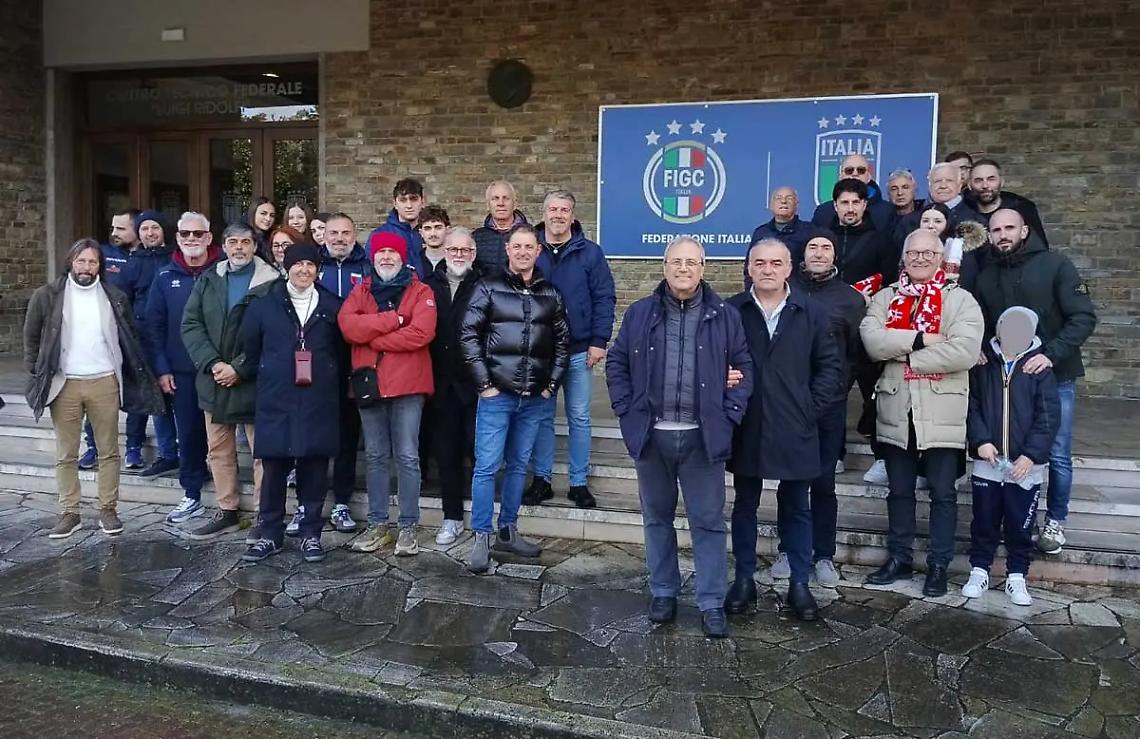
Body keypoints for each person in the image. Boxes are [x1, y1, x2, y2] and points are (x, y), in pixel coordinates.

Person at [606, 236, 753, 638]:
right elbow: (617, 362)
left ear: (704, 267)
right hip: (652, 437)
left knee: (707, 521)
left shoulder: (724, 315)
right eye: (676, 261)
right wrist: (625, 410)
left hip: (702, 439)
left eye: (691, 262)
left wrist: (729, 415)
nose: (683, 269)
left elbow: (743, 367)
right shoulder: (639, 313)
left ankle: (710, 602)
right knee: (657, 519)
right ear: (664, 266)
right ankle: (664, 592)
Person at [860, 229, 983, 596]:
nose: (920, 259)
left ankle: (938, 565)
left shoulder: (959, 300)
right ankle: (899, 557)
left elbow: (963, 351)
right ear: (903, 257)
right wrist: (925, 339)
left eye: (928, 253)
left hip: (942, 410)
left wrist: (905, 354)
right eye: (913, 253)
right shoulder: (886, 297)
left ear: (940, 257)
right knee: (899, 491)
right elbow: (871, 340)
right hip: (897, 408)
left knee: (943, 494)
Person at [726, 238, 842, 622]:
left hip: (797, 426)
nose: (768, 269)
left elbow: (831, 369)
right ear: (749, 268)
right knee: (745, 506)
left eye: (776, 263)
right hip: (748, 424)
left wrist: (809, 408)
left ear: (790, 268)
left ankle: (799, 583)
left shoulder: (812, 311)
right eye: (759, 263)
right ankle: (744, 579)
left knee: (797, 507)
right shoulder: (733, 311)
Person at [974, 209, 1097, 555]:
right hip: (1004, 381)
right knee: (1006, 447)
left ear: (1025, 230)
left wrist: (1051, 354)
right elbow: (981, 323)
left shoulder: (1056, 265)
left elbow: (1083, 317)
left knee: (1055, 451)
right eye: (996, 229)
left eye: (1009, 227)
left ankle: (1055, 521)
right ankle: (1012, 522)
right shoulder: (986, 276)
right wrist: (981, 349)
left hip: (1054, 376)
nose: (1002, 234)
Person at [23, 238, 164, 539]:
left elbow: (128, 338)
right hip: (65, 383)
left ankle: (108, 508)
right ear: (70, 262)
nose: (86, 267)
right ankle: (69, 512)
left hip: (104, 381)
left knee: (109, 450)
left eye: (92, 262)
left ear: (100, 265)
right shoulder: (47, 296)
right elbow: (31, 338)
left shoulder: (114, 296)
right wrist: (36, 371)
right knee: (67, 453)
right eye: (81, 261)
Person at [461, 223, 569, 574]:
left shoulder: (551, 293)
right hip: (497, 396)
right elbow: (468, 335)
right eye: (517, 246)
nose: (523, 252)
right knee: (487, 467)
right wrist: (483, 385)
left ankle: (507, 530)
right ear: (508, 250)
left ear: (538, 251)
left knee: (519, 467)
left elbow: (563, 344)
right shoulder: (488, 287)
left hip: (534, 399)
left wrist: (551, 385)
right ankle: (481, 536)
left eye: (529, 247)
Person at [239, 243, 345, 564]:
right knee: (273, 469)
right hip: (276, 398)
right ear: (287, 266)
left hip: (318, 399)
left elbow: (342, 353)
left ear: (317, 269)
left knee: (314, 467)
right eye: (297, 264)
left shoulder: (332, 306)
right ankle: (270, 532)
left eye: (310, 264)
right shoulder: (263, 305)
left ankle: (311, 533)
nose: (303, 270)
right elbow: (250, 348)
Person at [774, 232, 866, 586]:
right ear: (803, 254)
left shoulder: (850, 299)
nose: (818, 252)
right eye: (813, 246)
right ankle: (787, 548)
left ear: (835, 256)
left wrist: (837, 390)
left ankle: (824, 554)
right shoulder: (786, 292)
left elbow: (856, 355)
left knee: (824, 482)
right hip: (789, 405)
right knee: (790, 481)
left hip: (829, 406)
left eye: (826, 247)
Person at [340, 231, 437, 556]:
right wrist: (393, 320)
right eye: (379, 252)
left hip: (409, 385)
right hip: (370, 384)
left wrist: (374, 339)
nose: (385, 257)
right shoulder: (362, 289)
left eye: (391, 252)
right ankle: (378, 524)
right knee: (376, 456)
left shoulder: (421, 290)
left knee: (408, 456)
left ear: (402, 257)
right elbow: (347, 326)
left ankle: (408, 526)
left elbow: (422, 333)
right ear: (372, 257)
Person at [180, 222, 280, 540]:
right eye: (233, 242)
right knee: (219, 450)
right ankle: (228, 510)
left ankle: (266, 515)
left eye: (245, 242)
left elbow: (274, 334)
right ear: (223, 245)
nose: (239, 248)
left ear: (254, 246)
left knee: (263, 452)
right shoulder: (209, 279)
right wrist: (213, 364)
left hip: (254, 381)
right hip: (214, 380)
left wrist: (239, 367)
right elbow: (191, 324)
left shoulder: (272, 283)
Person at [963, 306, 1060, 606]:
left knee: (1020, 523)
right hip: (988, 461)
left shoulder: (1039, 369)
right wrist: (980, 441)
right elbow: (971, 405)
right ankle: (979, 570)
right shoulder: (983, 364)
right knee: (984, 520)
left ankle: (1016, 575)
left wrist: (1031, 456)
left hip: (1024, 466)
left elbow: (1048, 417)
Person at [527, 190, 616, 509]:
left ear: (573, 215)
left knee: (579, 416)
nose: (558, 215)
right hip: (539, 352)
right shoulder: (529, 248)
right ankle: (542, 479)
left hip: (579, 350)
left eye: (564, 209)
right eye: (552, 209)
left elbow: (604, 298)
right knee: (541, 417)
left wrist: (599, 341)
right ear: (544, 212)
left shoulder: (590, 253)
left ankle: (578, 482)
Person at [144, 212, 222, 524]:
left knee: (221, 435)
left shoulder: (222, 273)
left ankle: (230, 495)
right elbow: (154, 328)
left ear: (208, 237)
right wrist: (162, 369)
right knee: (188, 435)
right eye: (185, 234)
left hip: (219, 369)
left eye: (198, 234)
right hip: (182, 372)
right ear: (177, 238)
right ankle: (191, 494)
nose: (191, 239)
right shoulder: (164, 277)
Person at [424, 227, 487, 545]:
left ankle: (481, 521)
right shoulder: (427, 285)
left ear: (473, 254)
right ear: (444, 251)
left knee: (479, 455)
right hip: (439, 385)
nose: (459, 255)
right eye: (454, 249)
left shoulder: (486, 284)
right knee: (446, 455)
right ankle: (451, 518)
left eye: (465, 250)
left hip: (477, 386)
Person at [312, 212, 370, 534]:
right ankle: (311, 502)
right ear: (324, 235)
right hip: (317, 366)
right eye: (333, 232)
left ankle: (342, 502)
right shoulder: (311, 265)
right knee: (317, 436)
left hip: (356, 365)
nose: (338, 238)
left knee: (348, 437)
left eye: (345, 232)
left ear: (354, 234)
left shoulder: (367, 268)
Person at [83, 208, 144, 471]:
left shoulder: (147, 258)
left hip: (136, 337)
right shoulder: (102, 256)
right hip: (103, 338)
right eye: (113, 228)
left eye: (121, 228)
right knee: (97, 395)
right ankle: (93, 448)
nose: (114, 233)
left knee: (136, 393)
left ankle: (134, 448)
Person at [130, 209, 180, 478]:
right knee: (158, 401)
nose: (150, 233)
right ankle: (166, 453)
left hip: (175, 335)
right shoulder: (132, 262)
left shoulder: (175, 257)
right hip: (146, 339)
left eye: (155, 228)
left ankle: (188, 451)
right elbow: (123, 298)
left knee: (181, 398)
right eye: (145, 229)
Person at [743, 186, 820, 287]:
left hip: (799, 296)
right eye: (778, 198)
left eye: (789, 198)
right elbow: (749, 268)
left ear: (796, 204)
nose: (783, 201)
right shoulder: (761, 232)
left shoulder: (809, 231)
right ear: (771, 205)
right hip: (765, 293)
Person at [968, 159, 1048, 247]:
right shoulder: (964, 213)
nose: (985, 185)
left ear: (1001, 182)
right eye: (978, 180)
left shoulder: (1022, 208)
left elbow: (1040, 248)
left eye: (991, 179)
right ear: (969, 185)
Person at [812, 154, 895, 235]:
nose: (855, 174)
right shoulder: (823, 212)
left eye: (861, 170)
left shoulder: (887, 211)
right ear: (840, 176)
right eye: (849, 170)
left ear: (869, 176)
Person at [369, 178, 427, 277]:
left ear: (422, 202)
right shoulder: (380, 234)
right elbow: (370, 271)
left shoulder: (431, 232)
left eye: (414, 199)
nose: (409, 205)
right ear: (395, 204)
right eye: (403, 200)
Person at [472, 180, 528, 272]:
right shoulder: (476, 237)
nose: (501, 203)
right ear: (488, 205)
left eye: (506, 198)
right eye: (495, 198)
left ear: (515, 204)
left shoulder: (531, 236)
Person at [418, 205, 451, 275]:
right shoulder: (413, 262)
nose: (433, 233)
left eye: (438, 228)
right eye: (427, 228)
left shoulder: (456, 261)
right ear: (421, 233)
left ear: (448, 230)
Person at [245, 196, 277, 263]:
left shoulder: (273, 237)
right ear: (253, 213)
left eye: (272, 215)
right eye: (263, 213)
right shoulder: (242, 236)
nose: (268, 219)